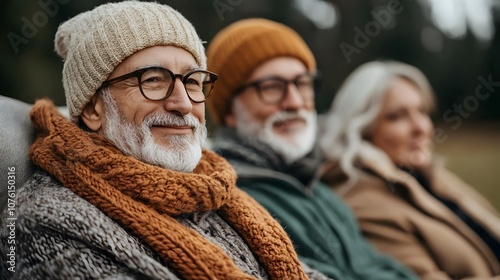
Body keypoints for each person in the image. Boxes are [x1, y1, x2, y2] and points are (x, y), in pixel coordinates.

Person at [0, 2, 330, 279]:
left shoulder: (218, 193)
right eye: (153, 80)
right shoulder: (51, 222)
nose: (183, 103)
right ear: (92, 108)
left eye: (192, 81)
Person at [206, 18, 417, 280]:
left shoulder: (321, 191)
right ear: (230, 113)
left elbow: (380, 267)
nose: (294, 102)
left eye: (302, 84)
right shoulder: (231, 202)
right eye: (272, 87)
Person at [319, 60, 500, 279]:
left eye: (422, 111)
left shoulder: (430, 176)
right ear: (361, 130)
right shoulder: (363, 203)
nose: (421, 128)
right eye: (397, 116)